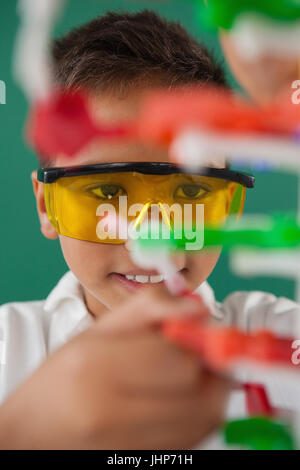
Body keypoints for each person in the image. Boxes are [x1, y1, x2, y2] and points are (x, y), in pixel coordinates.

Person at [0, 10, 299, 450]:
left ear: (232, 208)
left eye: (191, 196)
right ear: (47, 205)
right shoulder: (7, 347)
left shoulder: (280, 337)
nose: (149, 242)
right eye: (105, 191)